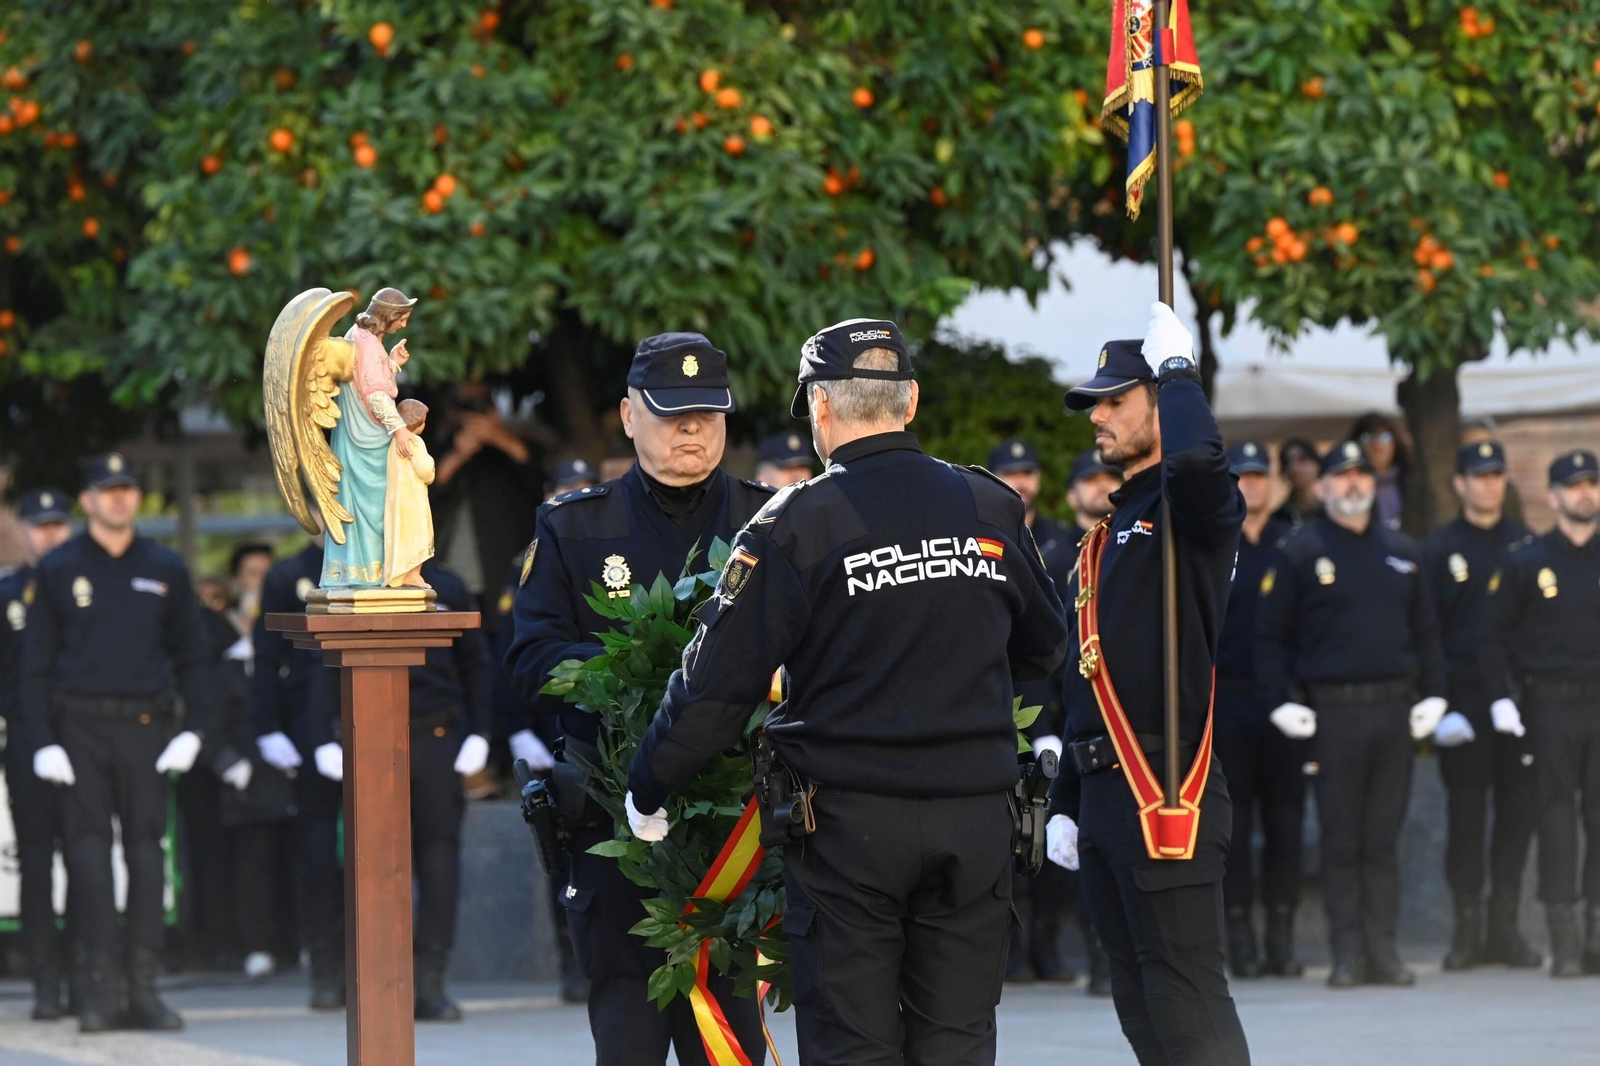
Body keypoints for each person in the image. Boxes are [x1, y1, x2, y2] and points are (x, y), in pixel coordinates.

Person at [625, 316, 1068, 1066]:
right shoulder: (987, 506)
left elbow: (715, 687)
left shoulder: (798, 522)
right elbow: (1046, 648)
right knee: (958, 1043)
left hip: (851, 828)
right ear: (911, 401)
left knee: (852, 1047)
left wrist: (649, 785)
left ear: (820, 406)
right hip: (974, 818)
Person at [506, 332, 775, 1065]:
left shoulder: (771, 521)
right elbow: (530, 661)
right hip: (616, 827)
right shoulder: (575, 525)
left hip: (739, 829)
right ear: (629, 417)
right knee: (628, 1038)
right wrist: (638, 676)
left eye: (707, 416)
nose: (692, 431)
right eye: (671, 414)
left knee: (731, 1040)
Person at [1046, 306, 1251, 1065]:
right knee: (1140, 1003)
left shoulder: (1187, 510)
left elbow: (1198, 466)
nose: (1097, 416)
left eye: (1115, 399)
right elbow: (1087, 679)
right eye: (1094, 403)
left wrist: (1180, 374)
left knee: (1187, 999)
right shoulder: (1104, 533)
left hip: (1164, 777)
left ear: (1160, 406)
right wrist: (1067, 798)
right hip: (1104, 789)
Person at [20, 453, 250, 1032]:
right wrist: (43, 741)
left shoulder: (165, 567)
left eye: (127, 488)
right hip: (79, 728)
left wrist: (195, 731)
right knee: (89, 859)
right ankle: (99, 992)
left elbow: (193, 657)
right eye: (108, 489)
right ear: (87, 500)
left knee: (148, 857)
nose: (119, 498)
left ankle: (144, 989)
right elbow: (33, 667)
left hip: (147, 728)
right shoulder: (59, 568)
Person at [1255, 439, 1448, 988]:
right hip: (1332, 713)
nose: (1354, 483)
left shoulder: (1403, 552)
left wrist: (1435, 695)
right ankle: (1346, 954)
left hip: (1393, 710)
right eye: (1341, 475)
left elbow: (1427, 632)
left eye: (1362, 474)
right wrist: (1279, 703)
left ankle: (1383, 952)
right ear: (1322, 487)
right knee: (1341, 838)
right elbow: (1270, 637)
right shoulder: (1300, 551)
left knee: (1382, 840)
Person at [302, 558, 494, 1018]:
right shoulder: (354, 581)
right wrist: (320, 737)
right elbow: (322, 663)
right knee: (368, 862)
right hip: (368, 735)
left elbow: (477, 663)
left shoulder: (446, 585)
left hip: (435, 735)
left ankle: (429, 981)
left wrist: (482, 733)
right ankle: (370, 977)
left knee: (439, 857)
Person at [1420, 441, 1540, 971]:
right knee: (1466, 818)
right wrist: (1439, 704)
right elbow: (1427, 632)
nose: (1489, 484)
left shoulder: (1526, 545)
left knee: (1518, 814)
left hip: (1517, 699)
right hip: (1463, 700)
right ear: (1460, 484)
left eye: (1496, 475)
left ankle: (1505, 928)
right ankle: (1467, 931)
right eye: (1479, 475)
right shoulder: (1438, 549)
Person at [1480, 449, 1600, 978]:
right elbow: (1493, 638)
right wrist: (1501, 698)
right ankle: (1564, 938)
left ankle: (1596, 932)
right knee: (1555, 818)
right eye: (1573, 486)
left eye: (1592, 483)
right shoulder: (1527, 560)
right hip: (1549, 703)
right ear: (1552, 497)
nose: (1585, 494)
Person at [986, 436, 1079, 987]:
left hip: (1057, 708)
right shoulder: (982, 539)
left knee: (1052, 832)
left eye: (1028, 471)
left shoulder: (1061, 545)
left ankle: (1048, 948)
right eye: (1010, 473)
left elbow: (1062, 641)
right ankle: (1013, 952)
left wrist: (1054, 724)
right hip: (1004, 708)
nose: (1021, 482)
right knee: (1007, 837)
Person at [1213, 442, 1305, 980]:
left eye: (1258, 475)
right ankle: (1241, 937)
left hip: (1285, 702)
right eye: (1241, 477)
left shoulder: (1292, 543)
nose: (1251, 485)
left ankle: (1281, 938)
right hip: (1228, 700)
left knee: (1286, 821)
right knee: (1236, 824)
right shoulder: (1212, 543)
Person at [249, 523, 346, 1008]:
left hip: (373, 714)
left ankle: (383, 968)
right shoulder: (289, 574)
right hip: (306, 727)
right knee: (317, 852)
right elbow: (267, 656)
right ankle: (325, 967)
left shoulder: (380, 568)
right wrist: (266, 727)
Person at [0, 488, 75, 1019]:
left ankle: (87, 979)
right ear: (23, 531)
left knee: (87, 861)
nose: (49, 535)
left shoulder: (85, 585)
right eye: (39, 525)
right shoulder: (8, 593)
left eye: (57, 524)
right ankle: (47, 984)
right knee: (37, 862)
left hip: (81, 737)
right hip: (27, 741)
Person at [322, 287, 418, 588]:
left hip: (357, 433)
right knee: (379, 504)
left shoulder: (359, 336)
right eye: (401, 318)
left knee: (367, 503)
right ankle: (372, 572)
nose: (404, 324)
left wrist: (392, 363)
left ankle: (363, 569)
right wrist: (399, 430)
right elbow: (375, 396)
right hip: (368, 440)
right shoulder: (368, 344)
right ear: (388, 316)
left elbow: (365, 382)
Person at [431, 381, 542, 614]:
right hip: (448, 575)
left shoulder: (508, 451)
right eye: (465, 404)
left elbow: (536, 484)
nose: (473, 412)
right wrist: (459, 453)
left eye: (481, 403)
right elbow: (428, 491)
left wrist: (499, 437)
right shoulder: (441, 444)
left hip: (501, 573)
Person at [384, 397, 437, 588]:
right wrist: (432, 465)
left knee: (400, 535)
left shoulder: (392, 441)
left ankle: (399, 575)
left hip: (396, 498)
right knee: (417, 535)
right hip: (413, 497)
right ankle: (412, 575)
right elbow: (425, 470)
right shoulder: (414, 441)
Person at [1348, 413, 1407, 530]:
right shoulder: (1347, 485)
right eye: (1367, 437)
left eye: (1385, 436)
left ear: (1395, 443)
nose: (1377, 443)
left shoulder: (1412, 480)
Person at [1271, 438, 1322, 530]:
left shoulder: (1332, 514)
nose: (1295, 468)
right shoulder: (1279, 518)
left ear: (1317, 464)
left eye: (1302, 459)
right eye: (1287, 462)